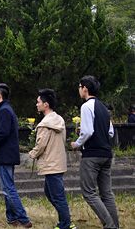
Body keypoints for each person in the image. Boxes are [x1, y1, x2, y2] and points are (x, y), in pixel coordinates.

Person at [71, 75, 119, 229]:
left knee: (89, 193)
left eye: (79, 87)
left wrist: (76, 143)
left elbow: (87, 131)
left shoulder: (86, 106)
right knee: (107, 193)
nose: (79, 90)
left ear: (85, 88)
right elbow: (110, 132)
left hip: (92, 155)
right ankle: (115, 226)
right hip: (106, 154)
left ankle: (109, 225)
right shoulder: (104, 108)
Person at [0, 83, 32, 228]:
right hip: (5, 154)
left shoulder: (4, 111)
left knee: (8, 188)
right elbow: (3, 133)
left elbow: (3, 133)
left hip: (4, 155)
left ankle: (23, 219)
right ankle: (12, 218)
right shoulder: (5, 109)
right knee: (7, 187)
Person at [29, 89, 75, 229]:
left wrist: (32, 154)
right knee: (51, 193)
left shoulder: (44, 124)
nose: (36, 105)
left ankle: (66, 224)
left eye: (38, 102)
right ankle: (65, 220)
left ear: (46, 104)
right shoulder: (59, 119)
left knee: (57, 196)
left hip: (50, 163)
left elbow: (40, 145)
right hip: (58, 162)